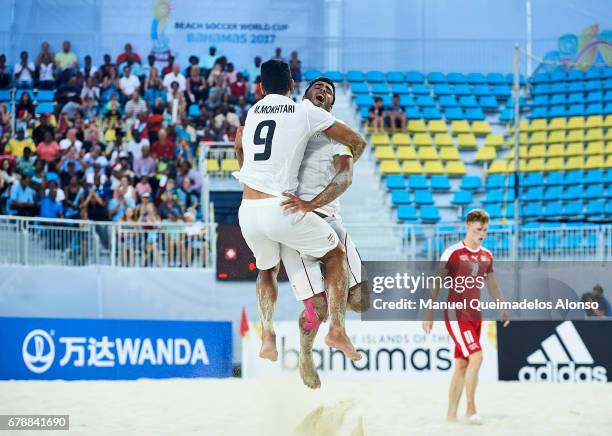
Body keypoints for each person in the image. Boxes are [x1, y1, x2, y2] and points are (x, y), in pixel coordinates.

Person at [234, 60, 366, 362]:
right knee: (336, 256)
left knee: (266, 269)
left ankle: (267, 337)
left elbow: (243, 159)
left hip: (247, 211)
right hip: (280, 208)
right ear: (293, 88)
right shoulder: (304, 111)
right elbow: (357, 141)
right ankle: (336, 329)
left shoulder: (252, 114)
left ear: (260, 88)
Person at [271, 77, 368, 388]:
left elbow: (345, 178)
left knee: (361, 300)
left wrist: (310, 203)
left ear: (330, 106)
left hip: (327, 218)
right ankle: (306, 353)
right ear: (304, 95)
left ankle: (336, 325)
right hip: (295, 225)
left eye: (329, 91)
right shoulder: (289, 129)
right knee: (318, 309)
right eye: (318, 86)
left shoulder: (336, 139)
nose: (324, 90)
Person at [422, 209, 510, 425]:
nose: (482, 234)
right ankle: (471, 409)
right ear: (468, 227)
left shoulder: (487, 255)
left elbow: (491, 283)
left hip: (475, 313)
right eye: (479, 229)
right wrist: (429, 313)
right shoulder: (452, 253)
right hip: (456, 312)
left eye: (485, 230)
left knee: (462, 364)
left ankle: (451, 415)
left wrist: (502, 307)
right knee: (477, 357)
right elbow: (436, 283)